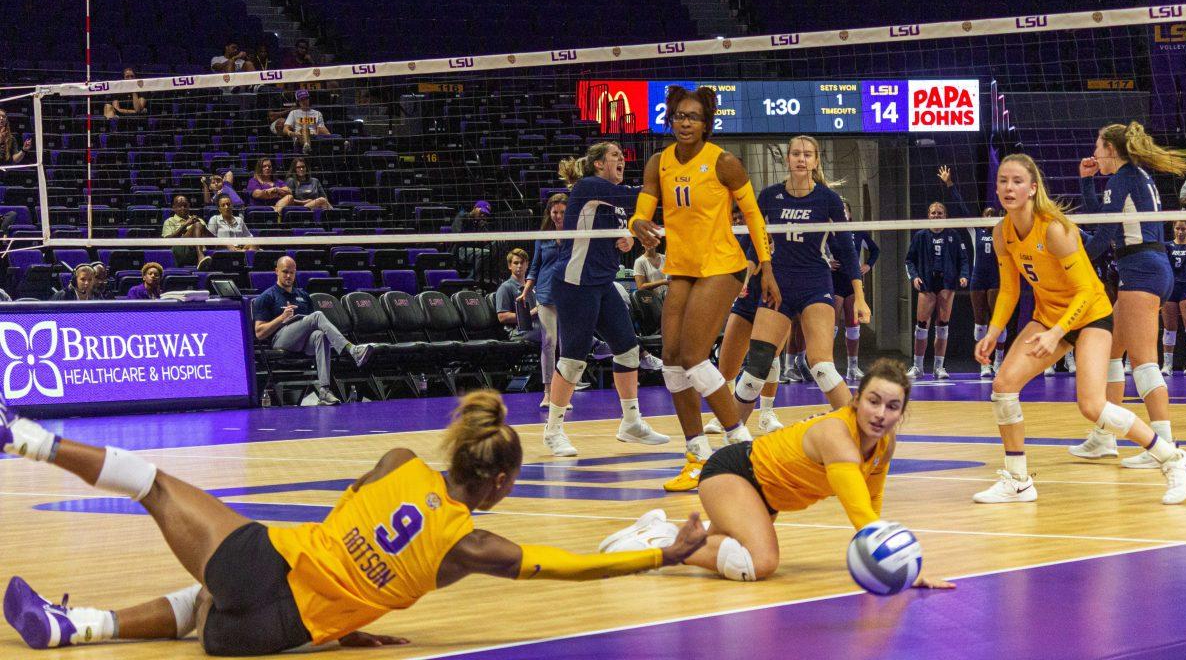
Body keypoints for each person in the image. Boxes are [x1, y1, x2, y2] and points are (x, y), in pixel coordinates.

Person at [0, 391, 707, 653]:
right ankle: (76, 628)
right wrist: (663, 557)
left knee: (154, 483)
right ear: (496, 481)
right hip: (264, 635)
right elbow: (571, 566)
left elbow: (346, 520)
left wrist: (346, 584)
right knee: (200, 611)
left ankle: (28, 439)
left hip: (262, 564)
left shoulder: (400, 458)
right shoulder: (471, 544)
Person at [603, 358, 953, 589]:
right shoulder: (837, 436)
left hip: (763, 496)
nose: (881, 413)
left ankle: (663, 530)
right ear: (857, 400)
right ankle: (659, 544)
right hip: (735, 473)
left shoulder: (883, 443)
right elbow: (859, 511)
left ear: (902, 414)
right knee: (760, 563)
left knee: (733, 549)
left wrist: (885, 559)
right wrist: (900, 568)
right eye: (873, 401)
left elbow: (872, 497)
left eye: (893, 407)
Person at [973, 153, 1186, 505]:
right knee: (1003, 386)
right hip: (1050, 317)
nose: (1008, 188)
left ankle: (1175, 460)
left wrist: (1055, 332)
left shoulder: (1055, 229)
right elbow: (1009, 290)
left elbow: (1084, 290)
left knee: (1092, 405)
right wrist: (993, 330)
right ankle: (1018, 480)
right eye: (1003, 181)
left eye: (1017, 181)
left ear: (1033, 188)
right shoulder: (1002, 233)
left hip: (1090, 315)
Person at [629, 86, 778, 493]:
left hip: (722, 266)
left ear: (706, 123)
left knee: (694, 358)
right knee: (672, 362)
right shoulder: (657, 163)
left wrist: (765, 266)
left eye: (693, 116)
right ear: (670, 118)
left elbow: (754, 215)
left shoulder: (724, 163)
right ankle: (696, 456)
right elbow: (642, 213)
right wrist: (636, 225)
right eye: (679, 115)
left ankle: (744, 449)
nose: (685, 122)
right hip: (682, 268)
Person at [1071, 122, 1186, 468]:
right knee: (1112, 352)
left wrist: (1068, 247)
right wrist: (1086, 182)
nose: (1094, 153)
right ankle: (1104, 436)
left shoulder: (1123, 178)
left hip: (1141, 270)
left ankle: (1165, 446)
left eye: (1097, 146)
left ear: (1111, 149)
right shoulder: (1132, 177)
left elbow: (1099, 240)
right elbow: (1105, 219)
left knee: (1143, 362)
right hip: (1145, 268)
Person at [729, 135, 869, 429]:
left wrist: (860, 295)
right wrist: (745, 277)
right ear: (788, 159)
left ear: (816, 161)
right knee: (755, 369)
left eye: (807, 154)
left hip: (815, 284)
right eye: (796, 154)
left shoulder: (828, 199)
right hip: (777, 285)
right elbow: (756, 242)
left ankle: (859, 435)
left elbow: (846, 247)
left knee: (822, 368)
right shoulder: (769, 196)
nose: (801, 159)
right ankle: (733, 438)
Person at [542, 142, 669, 456]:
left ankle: (631, 423)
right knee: (573, 359)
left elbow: (613, 227)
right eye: (615, 155)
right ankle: (553, 431)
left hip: (602, 283)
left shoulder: (611, 201)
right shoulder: (589, 186)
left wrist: (623, 238)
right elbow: (640, 196)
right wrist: (670, 173)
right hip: (575, 283)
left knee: (628, 351)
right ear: (598, 164)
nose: (622, 159)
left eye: (623, 156)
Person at [253, 256, 375, 407]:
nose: (289, 276)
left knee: (320, 335)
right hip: (280, 340)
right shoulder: (267, 297)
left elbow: (313, 325)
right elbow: (259, 333)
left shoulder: (303, 295)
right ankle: (352, 349)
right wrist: (281, 318)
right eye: (285, 272)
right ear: (276, 271)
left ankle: (324, 391)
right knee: (317, 315)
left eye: (292, 272)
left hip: (302, 342)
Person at [706, 206, 784, 437]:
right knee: (727, 365)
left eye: (742, 217)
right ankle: (726, 412)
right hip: (746, 303)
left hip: (774, 301)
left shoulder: (776, 235)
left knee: (771, 357)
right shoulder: (735, 236)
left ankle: (767, 413)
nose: (740, 221)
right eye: (736, 218)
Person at [939, 165, 1006, 378]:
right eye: (985, 214)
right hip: (978, 279)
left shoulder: (1002, 232)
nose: (988, 217)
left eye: (991, 215)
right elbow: (960, 207)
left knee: (998, 320)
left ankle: (1000, 360)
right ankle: (984, 363)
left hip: (996, 279)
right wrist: (949, 184)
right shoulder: (975, 230)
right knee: (980, 322)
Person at [904, 200, 969, 380]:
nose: (936, 215)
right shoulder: (920, 236)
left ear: (945, 216)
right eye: (933, 212)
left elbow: (963, 259)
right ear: (928, 215)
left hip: (947, 283)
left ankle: (939, 367)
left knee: (942, 326)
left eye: (940, 213)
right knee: (922, 326)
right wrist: (914, 276)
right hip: (927, 283)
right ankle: (917, 367)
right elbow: (909, 260)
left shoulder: (953, 235)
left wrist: (964, 275)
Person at [520, 194, 571, 407]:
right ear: (549, 213)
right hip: (546, 293)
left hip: (569, 293)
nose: (558, 216)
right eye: (554, 212)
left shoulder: (576, 234)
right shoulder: (543, 235)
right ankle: (548, 392)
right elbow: (535, 266)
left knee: (567, 345)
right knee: (549, 341)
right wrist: (525, 292)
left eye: (562, 212)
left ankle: (565, 395)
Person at [831, 199, 878, 381]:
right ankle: (830, 367)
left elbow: (875, 250)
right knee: (831, 326)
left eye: (845, 211)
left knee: (853, 324)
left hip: (852, 282)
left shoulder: (857, 231)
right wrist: (827, 261)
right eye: (839, 210)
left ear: (849, 214)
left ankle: (852, 367)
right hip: (834, 280)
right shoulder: (827, 231)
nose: (842, 214)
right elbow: (816, 251)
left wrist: (868, 265)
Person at [1162, 220, 1186, 376]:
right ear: (1174, 229)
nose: (1180, 231)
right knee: (1169, 329)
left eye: (1183, 229)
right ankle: (1167, 365)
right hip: (1170, 288)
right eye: (1177, 228)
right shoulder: (1167, 246)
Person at [495, 248, 540, 345]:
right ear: (509, 266)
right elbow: (502, 317)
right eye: (516, 263)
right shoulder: (505, 288)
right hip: (518, 331)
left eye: (522, 262)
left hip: (536, 327)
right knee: (549, 335)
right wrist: (530, 314)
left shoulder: (533, 288)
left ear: (527, 265)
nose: (519, 266)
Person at [162, 194, 212, 270]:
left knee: (199, 225)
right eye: (179, 206)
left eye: (185, 205)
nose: (183, 208)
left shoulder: (199, 220)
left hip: (200, 249)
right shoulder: (169, 221)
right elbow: (167, 241)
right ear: (174, 208)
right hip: (180, 251)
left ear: (189, 206)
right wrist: (185, 225)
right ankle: (200, 257)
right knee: (197, 225)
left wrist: (202, 228)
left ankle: (200, 257)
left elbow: (211, 238)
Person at [450, 200, 493, 281]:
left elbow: (487, 239)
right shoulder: (462, 217)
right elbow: (457, 236)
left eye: (485, 214)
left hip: (474, 248)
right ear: (475, 208)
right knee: (485, 253)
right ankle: (471, 280)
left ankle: (488, 277)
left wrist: (483, 228)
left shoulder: (480, 223)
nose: (483, 215)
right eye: (481, 212)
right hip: (460, 249)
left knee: (497, 245)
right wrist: (477, 240)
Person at [281, 90, 329, 154]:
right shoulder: (293, 113)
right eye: (302, 99)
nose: (304, 101)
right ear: (298, 101)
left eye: (306, 99)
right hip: (300, 137)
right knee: (305, 126)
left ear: (309, 99)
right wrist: (291, 133)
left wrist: (330, 135)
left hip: (314, 137)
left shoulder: (317, 113)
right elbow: (285, 129)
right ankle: (306, 146)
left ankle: (342, 143)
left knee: (329, 134)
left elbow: (321, 129)